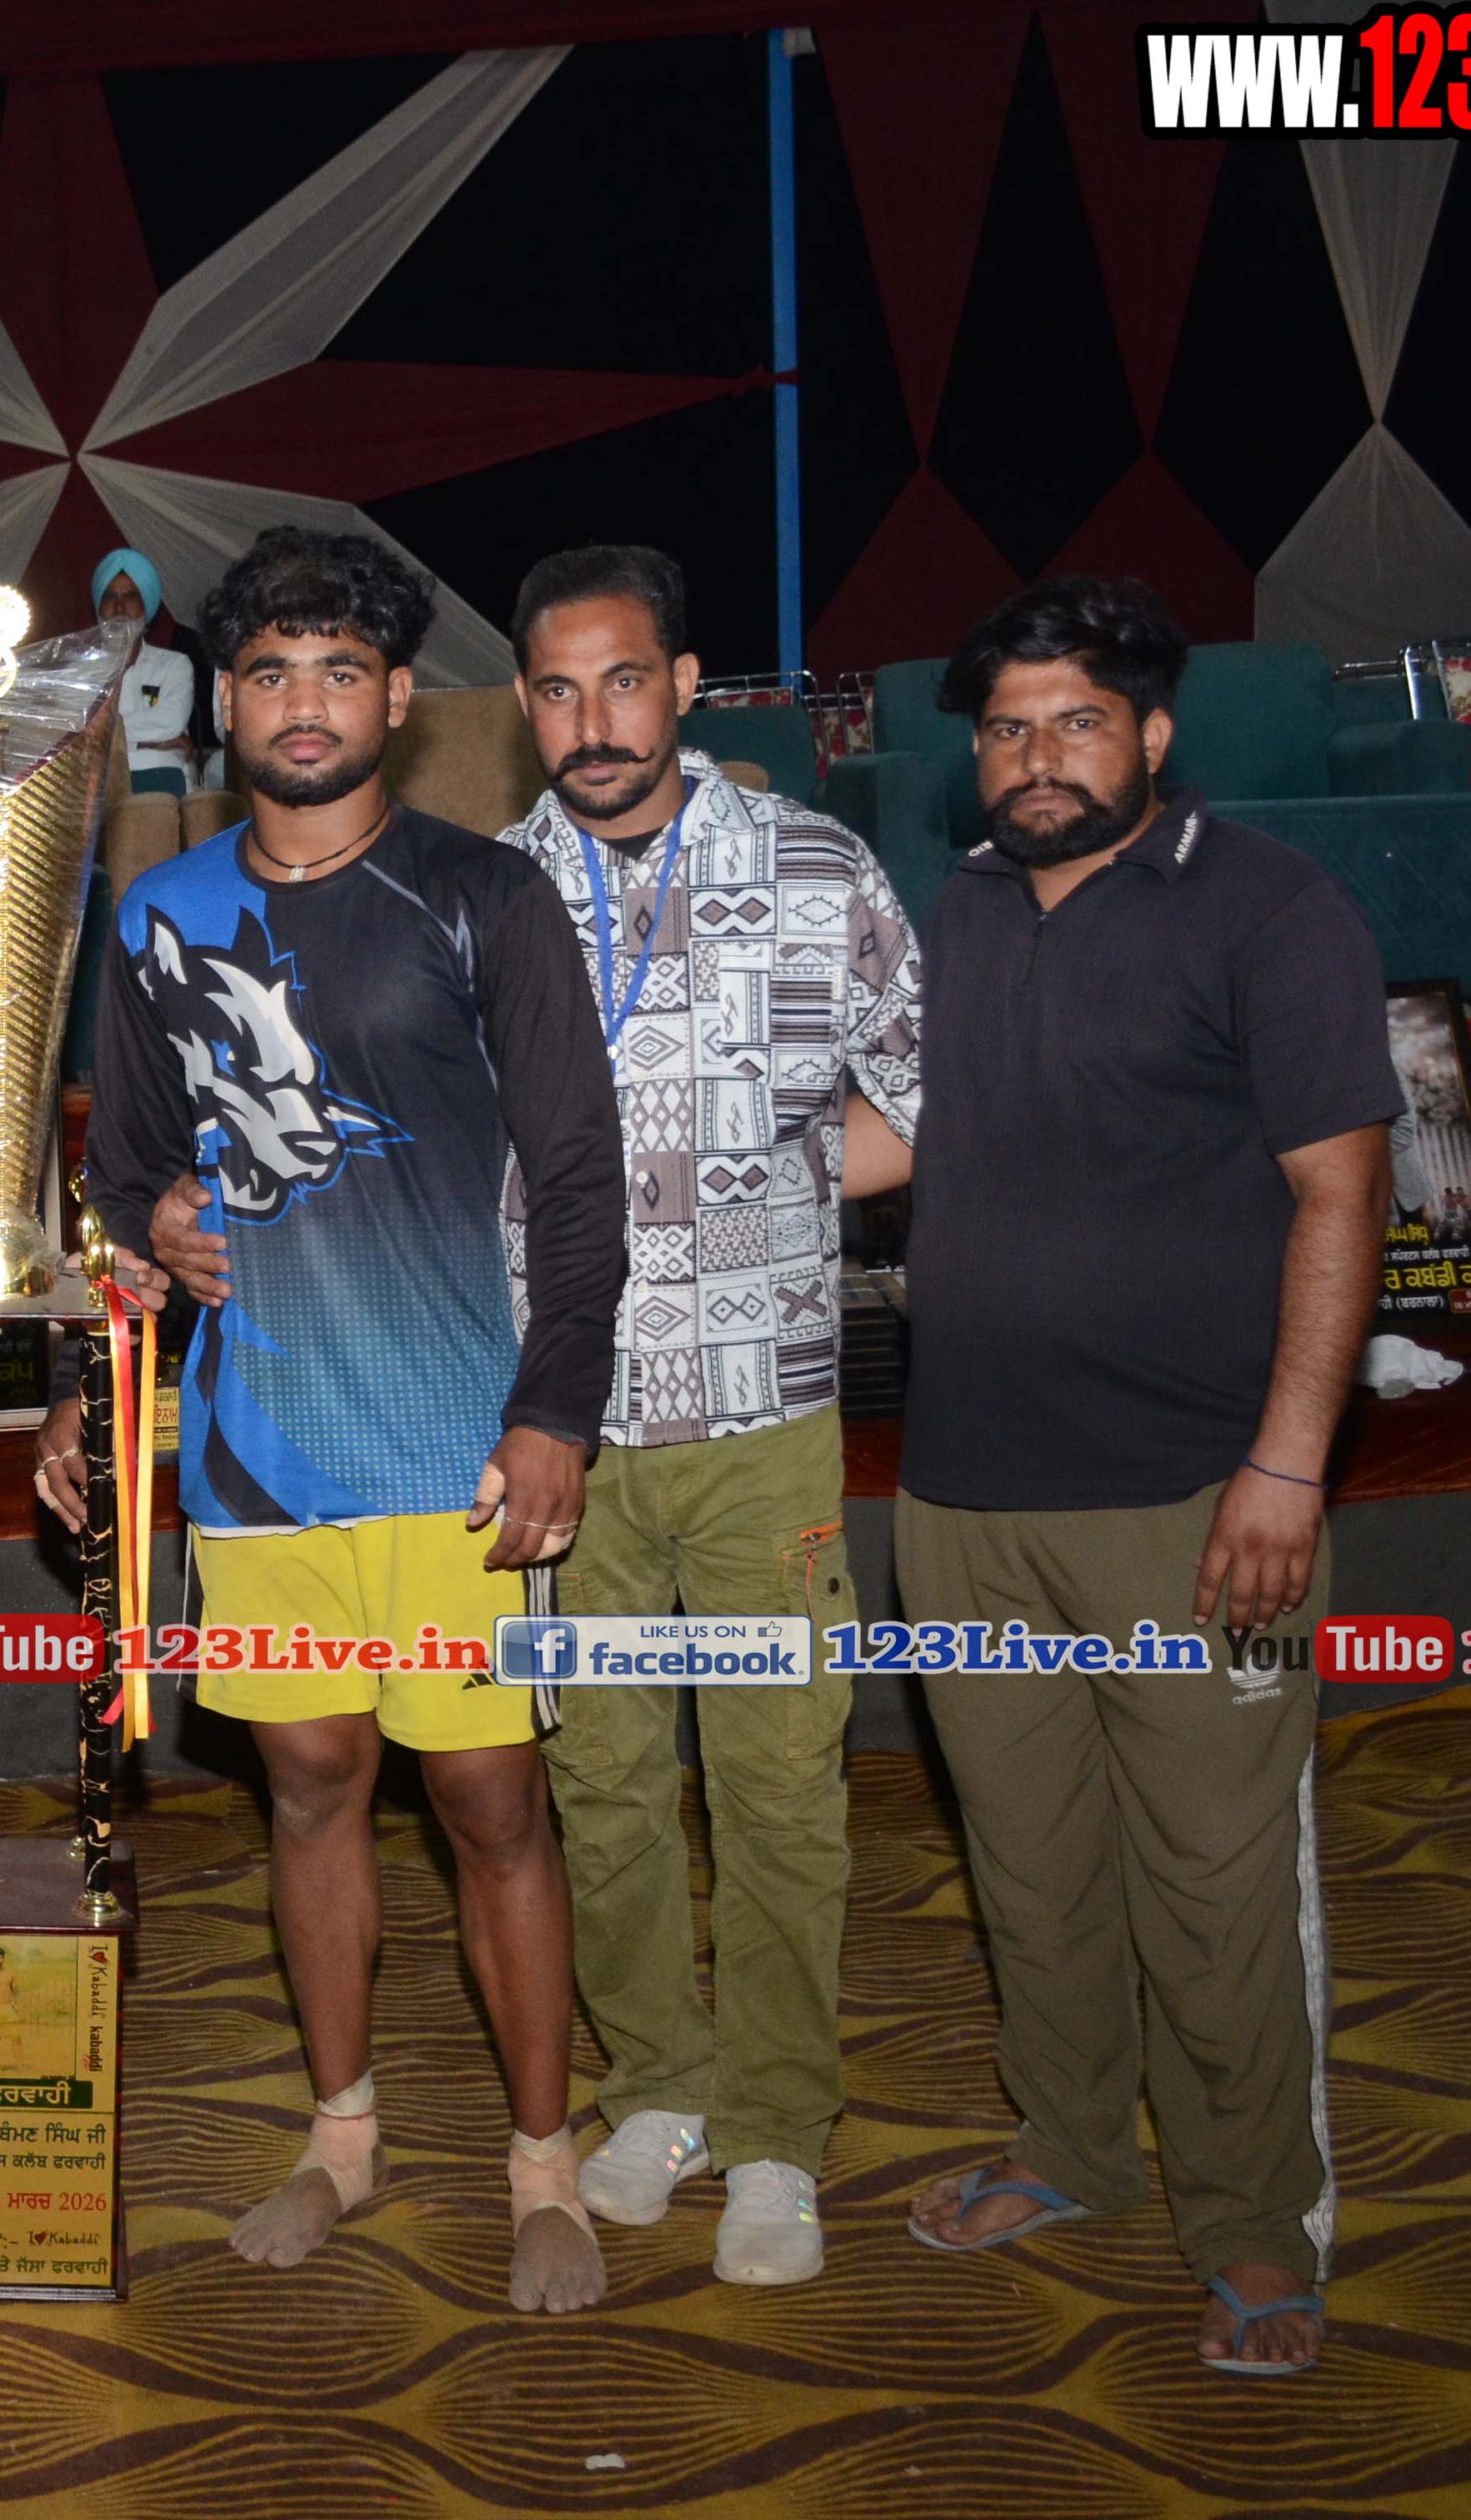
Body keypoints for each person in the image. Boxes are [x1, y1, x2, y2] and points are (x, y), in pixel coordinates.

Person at [33, 525, 628, 2308]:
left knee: (491, 1800)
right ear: (223, 701)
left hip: (456, 1446)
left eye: (341, 671)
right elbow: (119, 1183)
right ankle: (341, 2136)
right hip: (257, 1450)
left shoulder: (481, 894)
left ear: (398, 698)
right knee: (304, 1788)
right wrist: (111, 1318)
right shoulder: (154, 915)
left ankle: (542, 2164)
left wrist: (556, 1411)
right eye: (273, 671)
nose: (305, 703)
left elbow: (578, 1180)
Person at [892, 577, 1393, 2381]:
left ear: (1152, 734)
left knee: (1213, 1886)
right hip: (961, 1503)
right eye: (1005, 728)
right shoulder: (953, 911)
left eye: (1075, 721)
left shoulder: (1268, 908)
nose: (1035, 757)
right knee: (1028, 1868)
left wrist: (1286, 1462)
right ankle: (1073, 2147)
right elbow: (893, 1132)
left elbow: (1342, 1190)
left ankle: (1255, 2224)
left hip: (1194, 1501)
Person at [461, 544, 915, 2283]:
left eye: (624, 681)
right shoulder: (481, 892)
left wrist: (773, 1198)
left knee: (783, 1781)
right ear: (523, 705)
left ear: (684, 683)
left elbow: (916, 1099)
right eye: (557, 690)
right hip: (559, 1427)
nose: (592, 721)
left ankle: (781, 2128)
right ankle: (658, 2084)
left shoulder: (817, 865)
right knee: (601, 1780)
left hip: (760, 1412)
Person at [96, 548, 201, 787]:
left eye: (130, 597)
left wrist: (105, 735)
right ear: (99, 608)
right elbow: (76, 731)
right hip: (98, 777)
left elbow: (171, 721)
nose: (119, 608)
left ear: (145, 606)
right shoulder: (82, 670)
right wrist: (143, 741)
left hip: (160, 772)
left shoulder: (174, 665)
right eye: (110, 597)